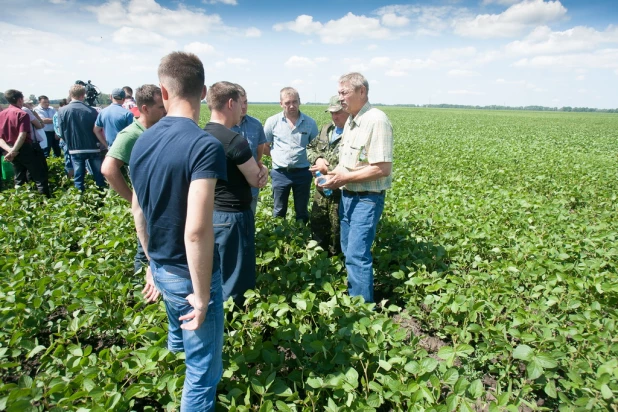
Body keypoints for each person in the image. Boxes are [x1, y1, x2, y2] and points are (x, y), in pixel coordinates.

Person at [130, 51, 227, 410]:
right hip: (191, 278)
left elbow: (138, 209)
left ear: (163, 92)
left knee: (181, 339)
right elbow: (198, 231)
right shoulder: (204, 146)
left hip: (162, 270)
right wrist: (202, 297)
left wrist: (153, 265)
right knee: (202, 373)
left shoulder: (143, 140)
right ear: (203, 92)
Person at [318, 73, 393, 303]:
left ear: (362, 92)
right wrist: (330, 175)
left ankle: (363, 310)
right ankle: (355, 298)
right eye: (339, 93)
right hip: (348, 195)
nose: (340, 98)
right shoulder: (351, 120)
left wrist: (345, 178)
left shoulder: (376, 120)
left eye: (344, 93)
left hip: (367, 198)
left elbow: (382, 168)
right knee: (348, 249)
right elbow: (348, 163)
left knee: (357, 254)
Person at [204, 82, 268, 307]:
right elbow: (255, 179)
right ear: (230, 103)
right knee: (236, 277)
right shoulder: (234, 141)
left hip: (207, 214)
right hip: (233, 217)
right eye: (241, 103)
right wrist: (264, 170)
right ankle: (234, 322)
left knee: (214, 273)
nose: (243, 108)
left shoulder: (201, 135)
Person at [102, 84, 166, 274]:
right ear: (145, 109)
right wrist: (132, 199)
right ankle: (142, 295)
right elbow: (108, 169)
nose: (165, 111)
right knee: (145, 252)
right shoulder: (132, 134)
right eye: (161, 107)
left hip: (163, 206)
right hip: (148, 208)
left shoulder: (159, 129)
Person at [263, 87, 318, 222]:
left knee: (302, 210)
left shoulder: (310, 123)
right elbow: (264, 146)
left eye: (295, 102)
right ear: (281, 103)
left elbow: (316, 149)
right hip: (280, 173)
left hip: (303, 172)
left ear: (300, 102)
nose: (291, 106)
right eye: (287, 103)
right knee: (279, 210)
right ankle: (279, 237)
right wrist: (277, 157)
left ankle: (301, 237)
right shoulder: (272, 122)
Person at [307, 95, 348, 255]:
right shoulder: (326, 129)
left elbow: (357, 163)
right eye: (331, 113)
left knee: (338, 228)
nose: (334, 117)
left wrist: (329, 171)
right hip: (321, 189)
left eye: (338, 112)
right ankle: (318, 259)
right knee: (317, 223)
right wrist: (318, 160)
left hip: (341, 191)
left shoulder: (353, 133)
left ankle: (337, 262)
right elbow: (310, 148)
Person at [0, 89, 50, 197]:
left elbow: (0, 138)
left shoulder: (2, 114)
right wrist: (14, 150)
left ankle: (20, 200)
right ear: (19, 100)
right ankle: (45, 201)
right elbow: (22, 135)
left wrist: (10, 151)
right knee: (39, 176)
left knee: (19, 177)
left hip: (10, 149)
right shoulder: (22, 114)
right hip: (25, 148)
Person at [58, 84, 107, 191]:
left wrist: (69, 142)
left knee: (79, 176)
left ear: (70, 94)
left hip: (75, 148)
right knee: (98, 174)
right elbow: (98, 129)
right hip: (92, 146)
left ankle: (80, 198)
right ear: (83, 95)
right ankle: (102, 195)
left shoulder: (62, 111)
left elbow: (61, 131)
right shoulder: (92, 111)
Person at [231, 84, 268, 215]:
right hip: (229, 191)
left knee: (249, 221)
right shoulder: (223, 127)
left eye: (246, 102)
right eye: (240, 103)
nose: (244, 106)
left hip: (251, 188)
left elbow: (259, 154)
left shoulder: (256, 124)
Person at [53, 98, 74, 178]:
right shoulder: (58, 114)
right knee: (69, 160)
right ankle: (69, 178)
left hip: (70, 139)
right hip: (65, 140)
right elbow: (59, 130)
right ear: (62, 106)